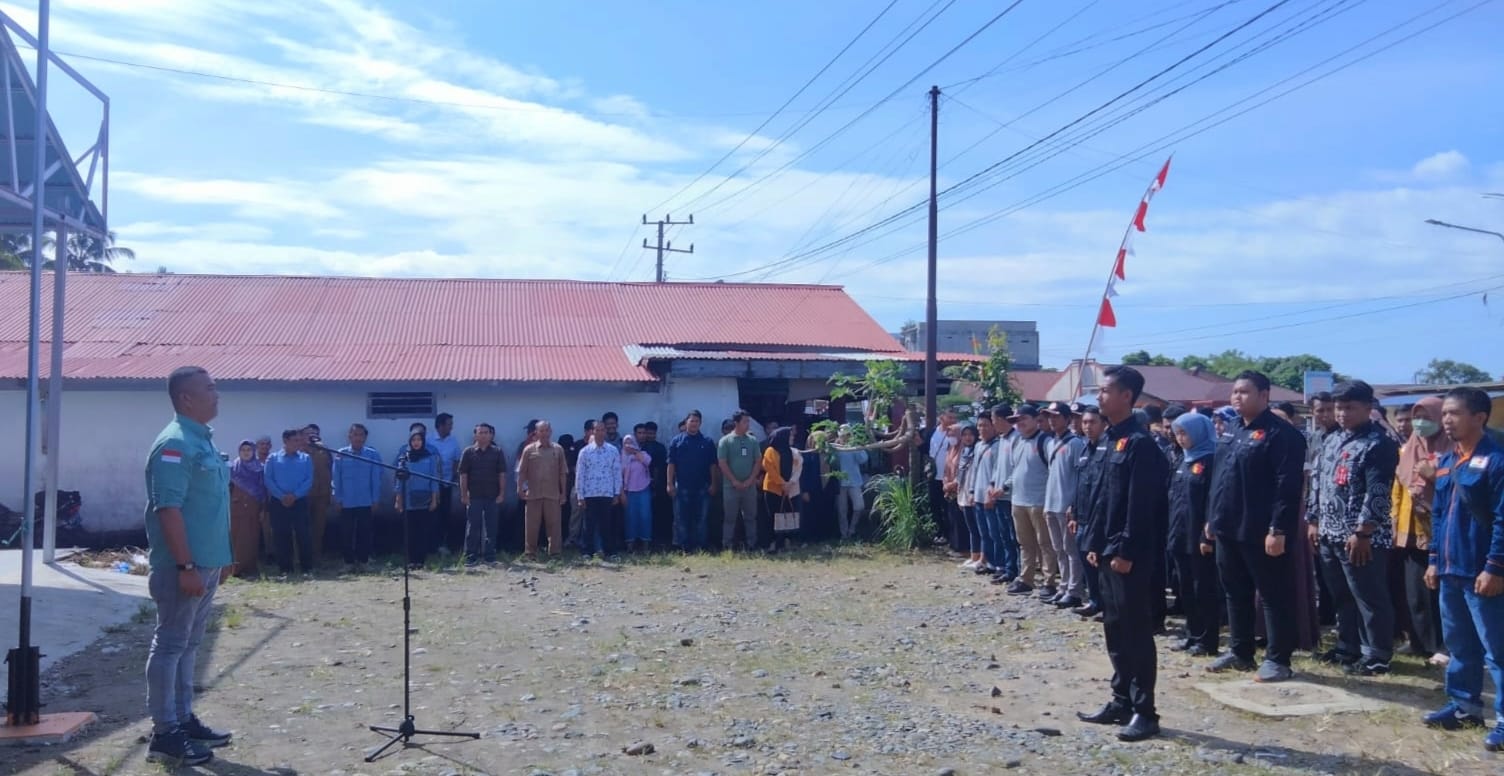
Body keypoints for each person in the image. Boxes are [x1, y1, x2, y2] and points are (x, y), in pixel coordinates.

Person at [142, 366, 234, 765]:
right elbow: (169, 509)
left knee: (189, 645)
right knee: (171, 645)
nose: (218, 394)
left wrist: (222, 556)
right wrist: (186, 566)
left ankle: (181, 718)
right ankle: (165, 732)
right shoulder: (175, 444)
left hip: (205, 563)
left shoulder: (202, 441)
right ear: (186, 399)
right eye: (210, 389)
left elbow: (211, 506)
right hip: (183, 566)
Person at [1078, 366, 1169, 742]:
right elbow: (1101, 499)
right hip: (1106, 552)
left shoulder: (1140, 444)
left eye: (1105, 391)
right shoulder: (1107, 440)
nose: (1099, 397)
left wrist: (1125, 550)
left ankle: (1145, 711)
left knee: (1135, 631)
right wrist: (1095, 545)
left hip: (1128, 554)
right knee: (1114, 629)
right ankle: (1121, 700)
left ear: (1127, 397)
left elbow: (1140, 506)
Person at [1207, 371, 1306, 683]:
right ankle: (1241, 651)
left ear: (1264, 395)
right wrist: (1212, 518)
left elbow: (1287, 487)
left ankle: (1278, 659)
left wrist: (1278, 529)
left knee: (1274, 594)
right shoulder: (1232, 429)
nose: (1237, 397)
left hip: (1261, 530)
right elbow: (1219, 478)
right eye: (1235, 392)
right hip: (1227, 527)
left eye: (1245, 392)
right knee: (1235, 592)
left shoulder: (1282, 434)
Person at [1423, 387, 1504, 752]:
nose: (1446, 420)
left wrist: (1495, 566)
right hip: (1452, 570)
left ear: (1480, 417)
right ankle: (1464, 706)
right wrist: (1434, 560)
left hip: (1484, 571)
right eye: (1444, 414)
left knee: (1497, 649)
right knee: (1460, 644)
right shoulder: (1448, 459)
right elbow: (1438, 513)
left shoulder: (1497, 458)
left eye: (1454, 413)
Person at [1307, 381, 1400, 676]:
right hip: (1329, 533)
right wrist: (1313, 520)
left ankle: (1377, 654)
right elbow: (1318, 483)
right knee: (1341, 594)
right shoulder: (1332, 439)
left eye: (1350, 408)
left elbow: (1379, 493)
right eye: (1339, 408)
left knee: (1369, 595)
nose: (1343, 413)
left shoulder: (1378, 443)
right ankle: (1348, 646)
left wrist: (1364, 532)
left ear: (1368, 408)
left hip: (1361, 537)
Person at [1393, 396, 1449, 666]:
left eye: (1427, 417)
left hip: (1441, 530)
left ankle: (1443, 645)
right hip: (1410, 529)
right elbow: (1399, 487)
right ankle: (1418, 641)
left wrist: (1433, 475)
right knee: (1414, 591)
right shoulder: (1408, 450)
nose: (1420, 423)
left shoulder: (1453, 448)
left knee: (1439, 591)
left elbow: (1459, 486)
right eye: (1418, 417)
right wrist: (1394, 523)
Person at [1168, 413, 1221, 656]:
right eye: (1177, 433)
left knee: (1204, 589)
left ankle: (1207, 640)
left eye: (1185, 433)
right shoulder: (1183, 460)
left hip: (1199, 536)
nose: (1180, 438)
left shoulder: (1211, 460)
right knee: (1185, 587)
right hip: (1179, 533)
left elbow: (1213, 500)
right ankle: (1192, 634)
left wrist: (1206, 535)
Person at [1006, 404, 1057, 599]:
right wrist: (1003, 487)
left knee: (1045, 543)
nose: (1019, 423)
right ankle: (1026, 578)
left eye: (1023, 418)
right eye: (1016, 420)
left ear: (1036, 419)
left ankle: (1049, 581)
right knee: (1025, 543)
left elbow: (1053, 472)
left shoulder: (1046, 441)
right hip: (1018, 500)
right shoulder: (1017, 441)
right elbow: (1015, 470)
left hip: (1039, 501)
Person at [1043, 402, 1087, 609]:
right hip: (1051, 503)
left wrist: (1074, 505)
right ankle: (1063, 586)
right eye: (1049, 416)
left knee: (1071, 550)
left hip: (1066, 504)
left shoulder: (1075, 444)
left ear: (1068, 419)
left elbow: (1080, 476)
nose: (1052, 420)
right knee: (1058, 549)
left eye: (1056, 416)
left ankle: (1074, 590)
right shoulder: (1051, 442)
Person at [1069, 406, 1109, 618]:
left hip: (1099, 518)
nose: (1087, 426)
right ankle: (1094, 601)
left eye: (1092, 422)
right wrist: (1074, 512)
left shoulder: (1107, 448)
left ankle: (1108, 605)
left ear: (1104, 424)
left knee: (1101, 564)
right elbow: (1080, 483)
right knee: (1086, 562)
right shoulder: (1085, 449)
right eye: (1084, 422)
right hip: (1082, 517)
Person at [333, 423, 383, 568]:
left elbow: (376, 478)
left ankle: (364, 561)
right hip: (346, 500)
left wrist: (375, 499)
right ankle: (348, 562)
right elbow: (336, 477)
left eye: (361, 435)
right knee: (346, 533)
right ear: (349, 436)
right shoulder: (341, 454)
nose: (358, 438)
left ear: (365, 437)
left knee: (365, 532)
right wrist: (337, 497)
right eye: (355, 434)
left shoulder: (372, 454)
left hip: (365, 500)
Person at [265, 428, 314, 575]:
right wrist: (282, 496)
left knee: (303, 534)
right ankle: (285, 568)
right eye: (295, 441)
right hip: (279, 502)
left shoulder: (306, 458)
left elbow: (309, 479)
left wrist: (295, 495)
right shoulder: (273, 459)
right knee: (281, 535)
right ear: (285, 441)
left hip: (299, 501)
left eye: (299, 440)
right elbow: (268, 479)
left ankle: (307, 567)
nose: (298, 443)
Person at [667, 410, 718, 553]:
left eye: (697, 421)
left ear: (700, 423)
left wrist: (714, 483)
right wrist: (669, 484)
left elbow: (713, 465)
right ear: (686, 422)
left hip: (703, 487)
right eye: (691, 421)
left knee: (701, 519)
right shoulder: (677, 441)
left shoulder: (707, 442)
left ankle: (701, 546)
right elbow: (671, 464)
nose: (694, 423)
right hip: (681, 486)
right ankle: (684, 547)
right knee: (681, 519)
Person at [518, 420, 569, 559]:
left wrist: (563, 493)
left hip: (553, 494)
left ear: (551, 431)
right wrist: (520, 488)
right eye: (541, 430)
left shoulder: (558, 449)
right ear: (536, 432)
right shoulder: (529, 449)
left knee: (554, 525)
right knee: (532, 526)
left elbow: (562, 473)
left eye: (547, 430)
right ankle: (530, 553)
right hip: (533, 494)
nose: (544, 433)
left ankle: (555, 553)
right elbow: (522, 471)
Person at [458, 423, 506, 566]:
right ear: (475, 435)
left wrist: (502, 493)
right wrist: (464, 494)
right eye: (481, 432)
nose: (484, 435)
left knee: (491, 527)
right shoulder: (468, 452)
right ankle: (471, 556)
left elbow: (502, 474)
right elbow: (463, 474)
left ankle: (489, 556)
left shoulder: (497, 452)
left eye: (486, 432)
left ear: (491, 435)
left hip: (492, 495)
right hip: (474, 495)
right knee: (473, 527)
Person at [575, 419, 623, 559]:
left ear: (605, 432)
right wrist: (580, 495)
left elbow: (616, 472)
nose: (600, 433)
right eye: (597, 430)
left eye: (603, 430)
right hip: (589, 493)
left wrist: (616, 493)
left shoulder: (612, 451)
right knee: (588, 525)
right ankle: (587, 552)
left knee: (607, 525)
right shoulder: (585, 452)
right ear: (592, 432)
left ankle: (610, 552)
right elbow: (580, 474)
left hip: (607, 493)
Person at [718, 410, 763, 552]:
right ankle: (727, 545)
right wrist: (734, 481)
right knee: (730, 518)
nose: (747, 424)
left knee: (751, 517)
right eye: (745, 422)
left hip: (749, 487)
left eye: (748, 422)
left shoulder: (752, 440)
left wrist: (750, 480)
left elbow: (758, 461)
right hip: (731, 486)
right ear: (736, 423)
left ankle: (751, 544)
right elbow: (722, 463)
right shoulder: (725, 441)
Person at [395, 431, 441, 567]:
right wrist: (398, 500)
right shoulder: (404, 458)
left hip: (425, 499)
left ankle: (421, 560)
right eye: (413, 440)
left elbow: (434, 480)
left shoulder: (430, 457)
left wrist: (434, 499)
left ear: (423, 442)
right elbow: (399, 481)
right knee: (410, 531)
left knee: (422, 531)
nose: (416, 442)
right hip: (409, 499)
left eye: (419, 440)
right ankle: (411, 560)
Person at [987, 404, 1022, 585]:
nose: (993, 424)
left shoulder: (1017, 439)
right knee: (1003, 534)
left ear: (1001, 420)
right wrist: (992, 484)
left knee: (1014, 535)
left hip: (1011, 495)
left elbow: (1018, 468)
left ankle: (1018, 570)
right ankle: (1009, 568)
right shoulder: (1002, 440)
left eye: (993, 420)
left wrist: (1006, 486)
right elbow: (997, 466)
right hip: (999, 495)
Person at [760, 426, 804, 554]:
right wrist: (782, 483)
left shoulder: (793, 452)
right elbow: (769, 468)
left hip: (789, 489)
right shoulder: (770, 451)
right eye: (790, 436)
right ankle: (773, 543)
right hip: (772, 489)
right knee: (773, 517)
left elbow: (797, 468)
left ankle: (786, 542)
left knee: (787, 516)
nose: (792, 438)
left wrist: (789, 483)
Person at [427, 413, 463, 553]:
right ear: (440, 425)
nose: (451, 427)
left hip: (446, 484)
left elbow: (456, 460)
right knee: (431, 515)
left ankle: (442, 544)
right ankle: (430, 544)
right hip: (430, 486)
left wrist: (454, 476)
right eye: (449, 424)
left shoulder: (453, 441)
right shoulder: (428, 439)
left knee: (444, 515)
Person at [228, 440, 264, 579]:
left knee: (252, 538)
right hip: (236, 508)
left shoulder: (259, 468)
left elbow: (263, 490)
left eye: (249, 449)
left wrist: (263, 509)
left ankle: (250, 567)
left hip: (254, 508)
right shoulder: (233, 467)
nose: (246, 452)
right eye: (243, 450)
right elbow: (227, 489)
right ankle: (236, 568)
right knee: (237, 538)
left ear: (253, 451)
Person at [833, 425, 870, 541]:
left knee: (859, 506)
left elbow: (863, 459)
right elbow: (831, 462)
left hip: (854, 481)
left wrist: (855, 447)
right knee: (841, 510)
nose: (846, 437)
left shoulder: (855, 444)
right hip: (840, 482)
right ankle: (844, 535)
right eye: (844, 435)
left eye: (848, 435)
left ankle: (852, 530)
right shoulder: (835, 447)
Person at [953, 424, 981, 567]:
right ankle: (974, 556)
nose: (968, 437)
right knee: (970, 527)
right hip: (963, 493)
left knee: (978, 528)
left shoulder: (978, 451)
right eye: (964, 435)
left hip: (974, 493)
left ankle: (981, 558)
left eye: (971, 434)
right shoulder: (964, 452)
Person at [622, 433, 654, 551]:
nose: (628, 445)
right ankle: (630, 544)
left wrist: (635, 452)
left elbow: (648, 462)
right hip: (628, 491)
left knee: (645, 516)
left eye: (631, 442)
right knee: (630, 517)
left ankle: (645, 543)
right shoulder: (621, 457)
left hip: (643, 490)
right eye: (626, 442)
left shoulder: (643, 454)